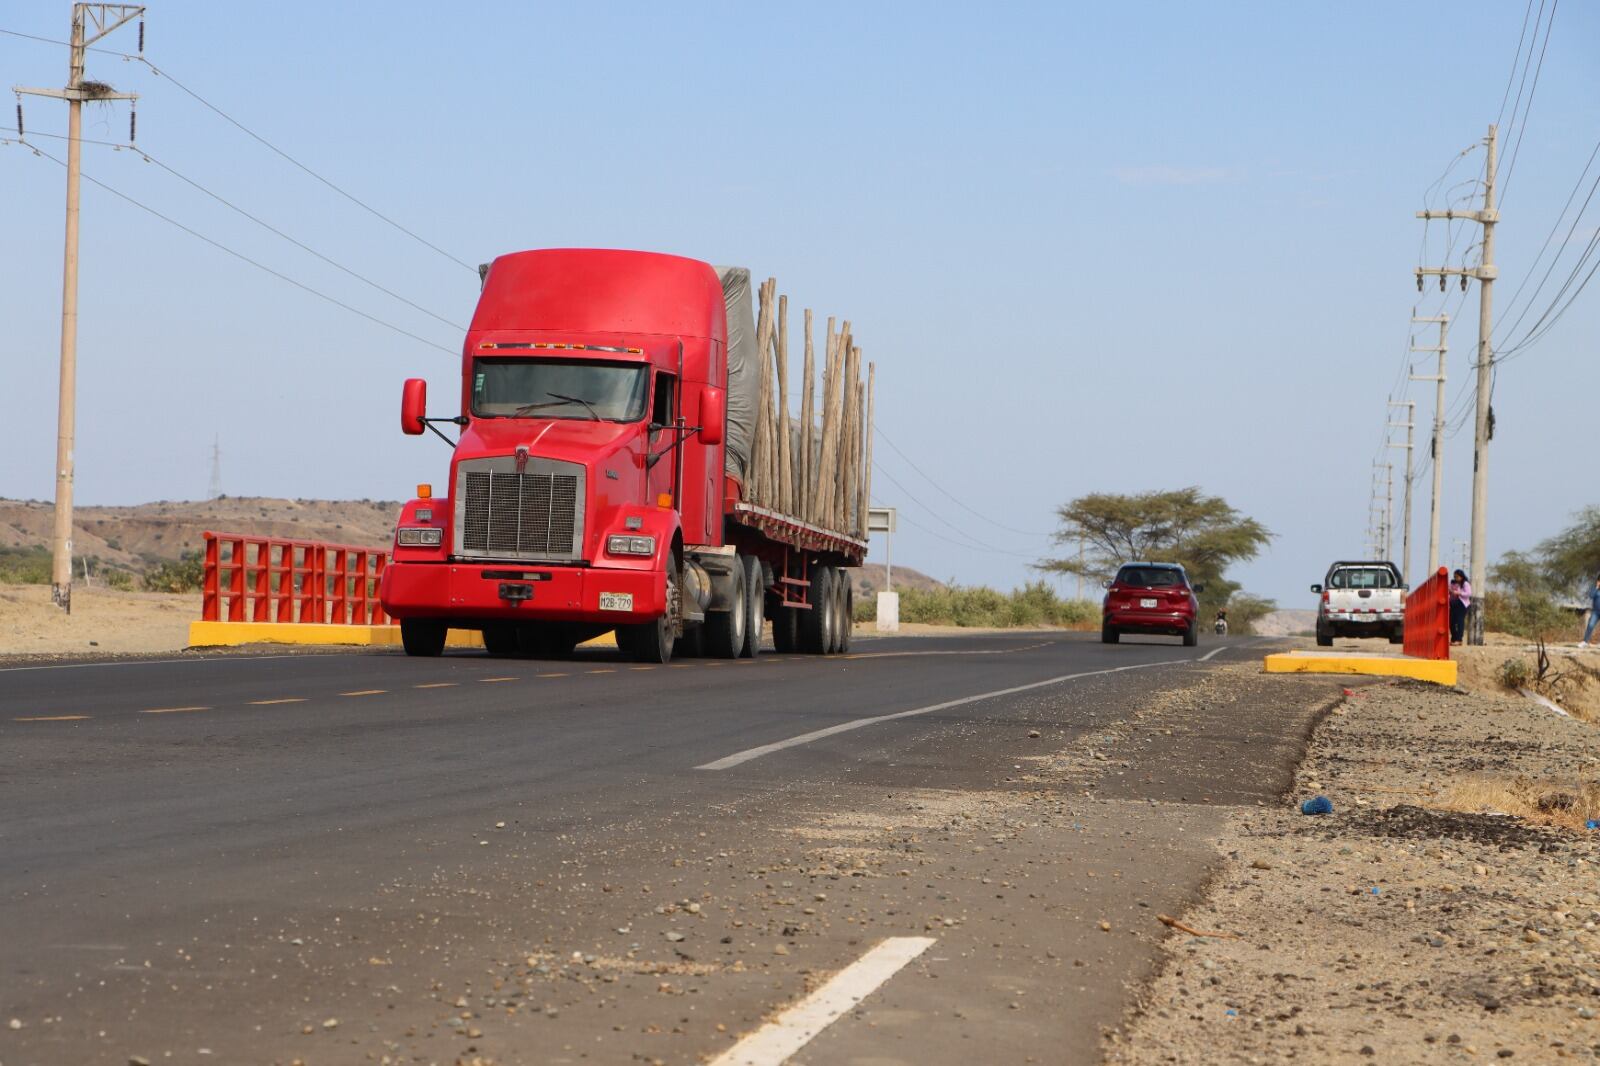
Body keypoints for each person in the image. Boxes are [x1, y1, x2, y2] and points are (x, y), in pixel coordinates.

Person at [1448, 569, 1471, 645]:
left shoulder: (1465, 583)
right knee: (1451, 622)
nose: (1456, 578)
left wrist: (1458, 593)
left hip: (1462, 604)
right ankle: (1453, 639)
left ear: (1461, 576)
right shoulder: (1453, 583)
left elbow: (1468, 593)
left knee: (1459, 621)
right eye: (1455, 576)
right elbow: (1449, 592)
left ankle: (1459, 639)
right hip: (1454, 603)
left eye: (1457, 577)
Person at [1581, 574, 1600, 648]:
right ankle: (1585, 642)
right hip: (1596, 612)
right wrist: (1596, 587)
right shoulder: (1595, 589)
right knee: (1590, 625)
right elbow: (1591, 596)